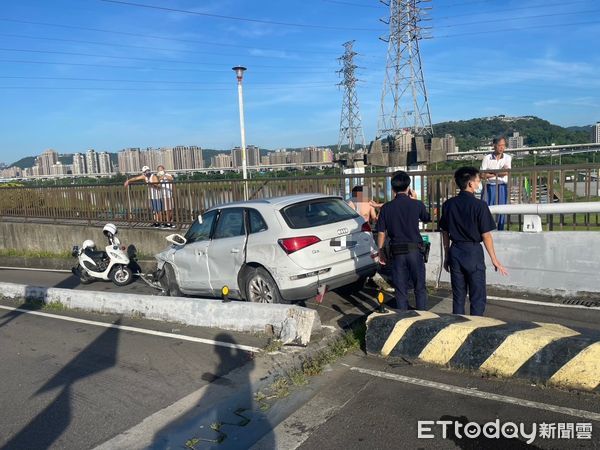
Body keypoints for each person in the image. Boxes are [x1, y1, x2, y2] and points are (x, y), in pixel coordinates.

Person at [439, 167, 509, 316]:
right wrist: (495, 260)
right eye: (477, 181)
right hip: (473, 252)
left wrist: (447, 255)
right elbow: (486, 236)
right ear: (470, 183)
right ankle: (476, 328)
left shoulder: (448, 205)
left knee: (458, 296)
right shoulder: (479, 205)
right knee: (477, 296)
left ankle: (457, 327)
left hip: (455, 250)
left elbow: (444, 232)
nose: (478, 184)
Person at [376, 171, 431, 310]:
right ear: (408, 187)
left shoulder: (386, 208)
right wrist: (416, 199)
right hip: (415, 251)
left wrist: (381, 251)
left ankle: (402, 318)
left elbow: (381, 232)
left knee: (400, 290)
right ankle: (422, 318)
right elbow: (426, 218)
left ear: (393, 189)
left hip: (396, 252)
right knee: (419, 287)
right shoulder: (416, 204)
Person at [480, 136, 512, 230]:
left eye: (504, 145)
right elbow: (482, 175)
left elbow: (506, 172)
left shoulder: (507, 157)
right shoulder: (487, 158)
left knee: (502, 210)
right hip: (489, 186)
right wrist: (498, 172)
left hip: (502, 186)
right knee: (485, 209)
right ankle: (485, 230)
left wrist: (491, 172)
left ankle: (500, 229)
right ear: (494, 146)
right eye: (500, 145)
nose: (502, 148)